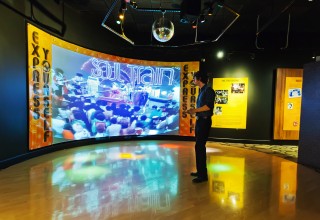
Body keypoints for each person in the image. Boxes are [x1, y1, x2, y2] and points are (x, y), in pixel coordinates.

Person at [187, 71, 215, 183]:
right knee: (198, 147)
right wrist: (195, 113)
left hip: (204, 122)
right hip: (200, 121)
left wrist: (194, 110)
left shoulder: (209, 90)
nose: (193, 81)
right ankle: (200, 171)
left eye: (194, 78)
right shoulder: (202, 90)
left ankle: (203, 176)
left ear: (199, 79)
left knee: (200, 147)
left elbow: (208, 107)